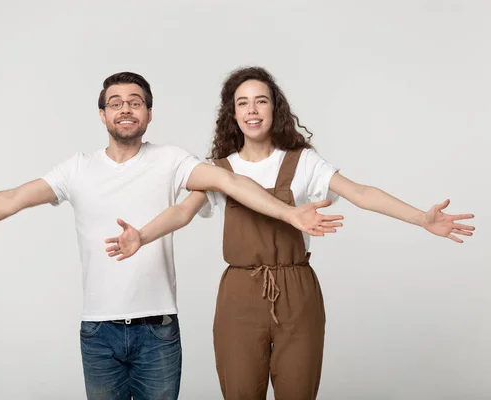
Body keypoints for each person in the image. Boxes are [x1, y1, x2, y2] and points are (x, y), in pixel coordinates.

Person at [0, 71, 344, 400]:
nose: (125, 108)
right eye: (115, 101)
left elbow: (233, 184)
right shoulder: (76, 169)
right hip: (99, 331)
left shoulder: (172, 160)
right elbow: (12, 198)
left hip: (159, 330)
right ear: (102, 112)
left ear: (148, 112)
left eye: (135, 101)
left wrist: (290, 215)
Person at [104, 67, 476, 400]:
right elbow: (183, 211)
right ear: (232, 114)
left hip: (297, 292)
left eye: (261, 101)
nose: (252, 110)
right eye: (243, 103)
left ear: (274, 108)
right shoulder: (219, 169)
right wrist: (143, 235)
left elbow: (361, 193)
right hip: (240, 293)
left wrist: (420, 219)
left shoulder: (303, 162)